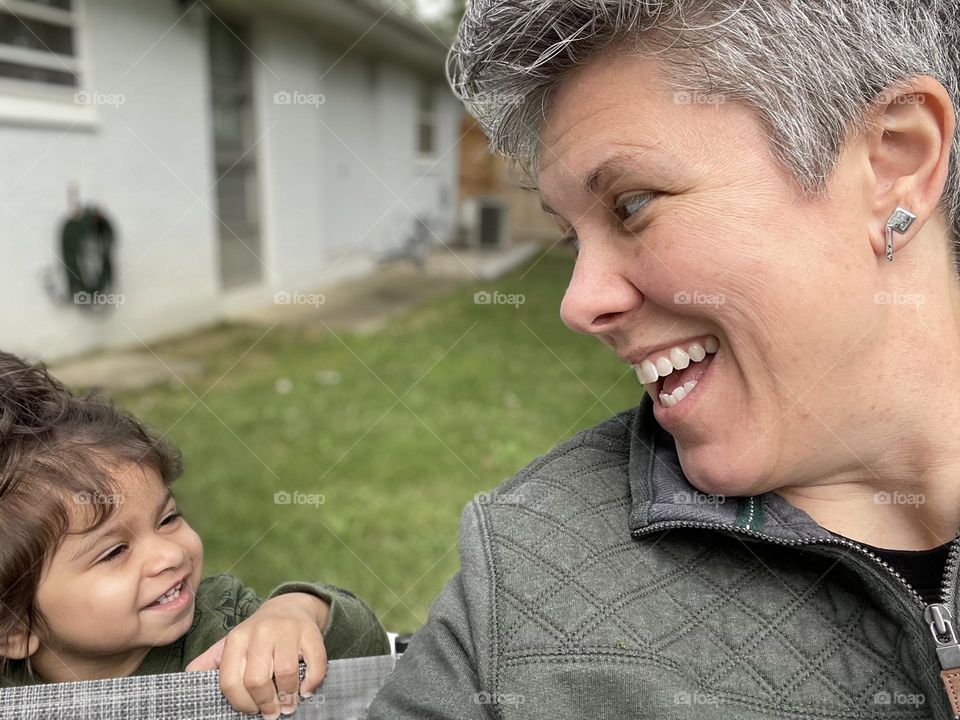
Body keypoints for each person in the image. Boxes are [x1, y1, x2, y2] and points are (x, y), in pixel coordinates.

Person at [367, 1, 960, 718]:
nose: (579, 303)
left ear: (895, 162)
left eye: (632, 204)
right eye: (570, 237)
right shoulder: (527, 579)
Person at [0, 350, 389, 720]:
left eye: (167, 519)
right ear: (14, 628)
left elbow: (368, 652)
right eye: (115, 551)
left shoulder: (224, 628)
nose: (169, 555)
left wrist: (298, 611)